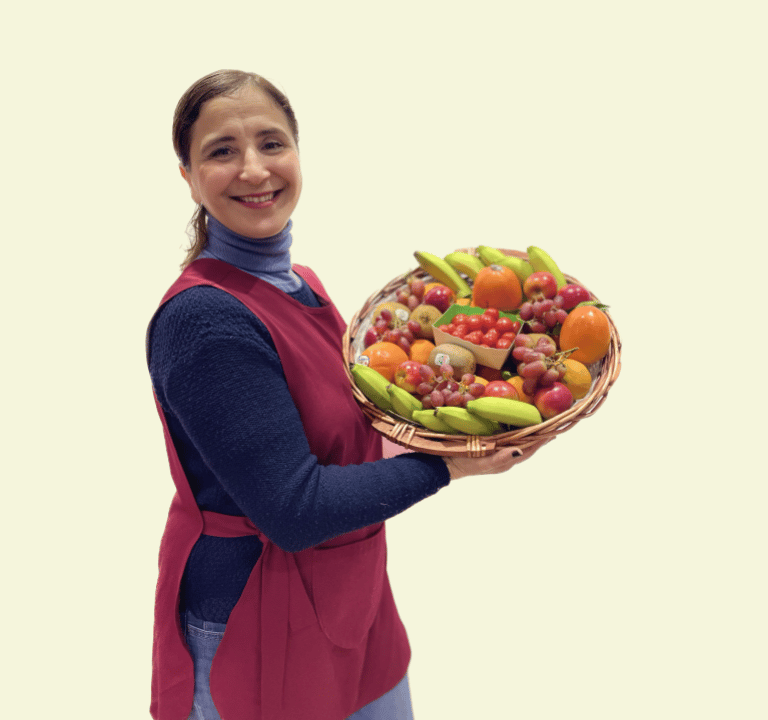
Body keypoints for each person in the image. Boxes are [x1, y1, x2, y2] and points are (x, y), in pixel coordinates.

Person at [146, 69, 549, 720]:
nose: (254, 169)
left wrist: (462, 402)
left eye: (272, 143)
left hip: (353, 607)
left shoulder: (302, 285)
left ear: (297, 154)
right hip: (255, 619)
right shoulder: (205, 323)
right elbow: (295, 509)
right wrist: (450, 465)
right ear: (188, 176)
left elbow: (351, 430)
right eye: (222, 151)